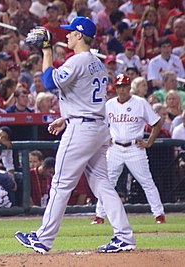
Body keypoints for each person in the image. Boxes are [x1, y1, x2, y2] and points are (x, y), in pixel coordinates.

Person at [15, 16, 135, 254]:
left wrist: (47, 50)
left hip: (83, 129)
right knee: (102, 184)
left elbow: (49, 82)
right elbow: (84, 96)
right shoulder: (98, 63)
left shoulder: (78, 60)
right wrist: (67, 117)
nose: (67, 35)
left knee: (60, 183)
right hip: (98, 127)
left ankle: (43, 238)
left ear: (80, 35)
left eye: (70, 32)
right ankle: (124, 237)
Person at [92, 74, 165, 225]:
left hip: (134, 148)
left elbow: (156, 122)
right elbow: (101, 126)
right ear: (116, 88)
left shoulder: (140, 103)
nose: (122, 90)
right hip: (115, 148)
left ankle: (159, 214)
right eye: (119, 87)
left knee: (146, 181)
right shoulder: (110, 104)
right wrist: (106, 139)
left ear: (129, 87)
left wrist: (149, 142)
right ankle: (99, 215)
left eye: (124, 86)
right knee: (107, 182)